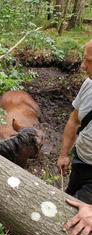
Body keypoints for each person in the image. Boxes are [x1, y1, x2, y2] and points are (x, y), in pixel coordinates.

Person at [57, 39, 92, 204]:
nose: (83, 66)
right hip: (80, 160)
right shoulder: (88, 84)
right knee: (68, 199)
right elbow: (74, 120)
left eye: (90, 61)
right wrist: (64, 154)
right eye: (84, 58)